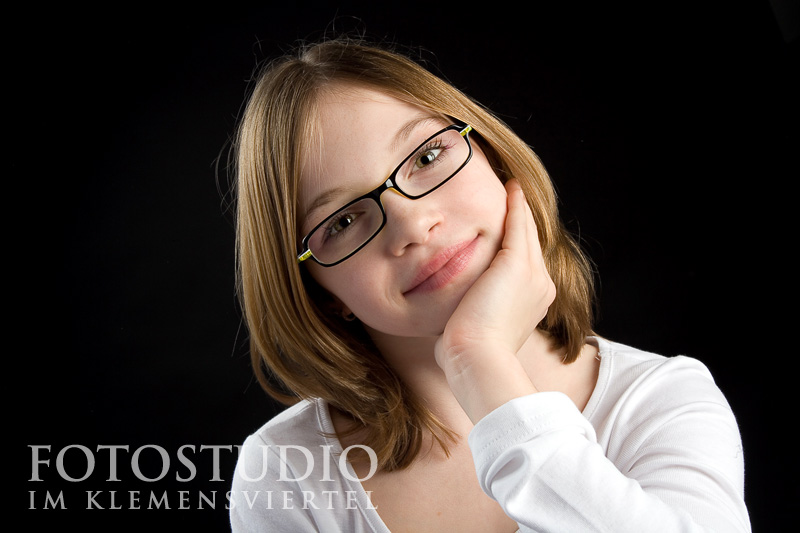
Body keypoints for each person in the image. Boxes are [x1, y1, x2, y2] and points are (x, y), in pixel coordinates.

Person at [228, 37, 750, 532]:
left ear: (493, 158)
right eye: (342, 221)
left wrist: (478, 360)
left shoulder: (663, 401)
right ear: (321, 292)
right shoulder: (286, 472)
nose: (414, 226)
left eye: (426, 157)